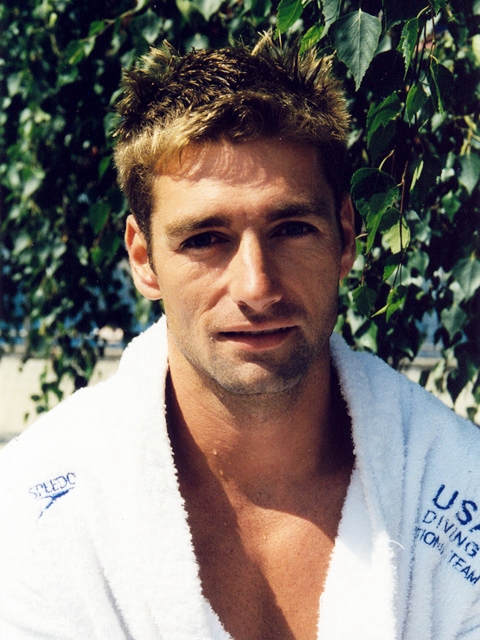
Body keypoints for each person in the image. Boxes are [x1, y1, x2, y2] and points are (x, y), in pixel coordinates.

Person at [1, 35, 480, 640]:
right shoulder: (33, 511)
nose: (256, 287)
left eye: (292, 228)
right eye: (205, 239)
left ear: (346, 236)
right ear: (144, 260)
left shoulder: (457, 490)